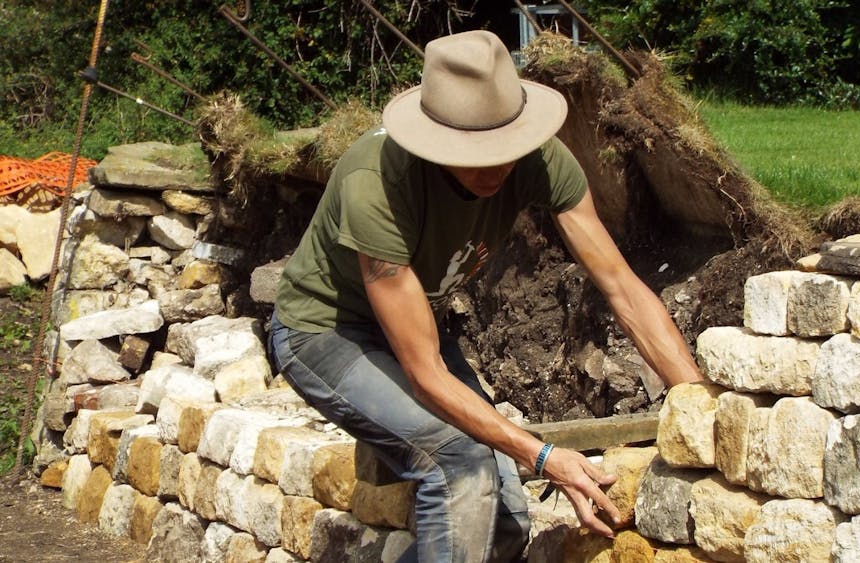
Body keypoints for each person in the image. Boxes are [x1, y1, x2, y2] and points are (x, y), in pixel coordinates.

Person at [267, 29, 704, 562]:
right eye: (475, 152)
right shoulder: (376, 182)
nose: (497, 165)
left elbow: (623, 287)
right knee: (459, 465)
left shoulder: (540, 160)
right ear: (435, 140)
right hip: (327, 333)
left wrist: (700, 408)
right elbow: (425, 372)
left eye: (506, 147)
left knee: (503, 528)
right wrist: (544, 456)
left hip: (417, 325)